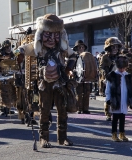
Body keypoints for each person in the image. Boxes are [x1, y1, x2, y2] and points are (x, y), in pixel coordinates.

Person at [18, 14, 76, 148]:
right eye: (47, 34)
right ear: (41, 33)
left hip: (60, 83)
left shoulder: (63, 47)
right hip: (44, 84)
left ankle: (63, 137)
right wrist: (19, 54)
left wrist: (68, 68)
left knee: (62, 110)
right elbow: (21, 49)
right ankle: (43, 138)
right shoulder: (37, 47)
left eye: (55, 35)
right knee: (44, 111)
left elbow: (73, 55)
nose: (51, 39)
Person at [105, 55, 132, 142]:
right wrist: (108, 99)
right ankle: (114, 134)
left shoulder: (128, 76)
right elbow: (108, 88)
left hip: (124, 100)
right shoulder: (112, 75)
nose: (122, 70)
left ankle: (122, 133)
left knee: (122, 118)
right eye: (120, 68)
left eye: (123, 68)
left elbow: (131, 89)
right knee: (115, 118)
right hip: (115, 100)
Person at [99, 37, 122, 121]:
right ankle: (108, 114)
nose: (115, 49)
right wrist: (105, 73)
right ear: (109, 47)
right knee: (108, 97)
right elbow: (101, 67)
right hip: (108, 79)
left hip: (118, 79)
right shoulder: (105, 57)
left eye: (116, 47)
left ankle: (117, 112)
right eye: (113, 47)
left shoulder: (120, 57)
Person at [73, 40, 97, 114]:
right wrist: (74, 72)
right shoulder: (74, 57)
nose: (81, 48)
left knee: (87, 93)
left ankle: (86, 109)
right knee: (79, 93)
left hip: (87, 77)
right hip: (78, 77)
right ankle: (79, 109)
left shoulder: (88, 56)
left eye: (82, 47)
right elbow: (71, 66)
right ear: (77, 48)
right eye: (79, 47)